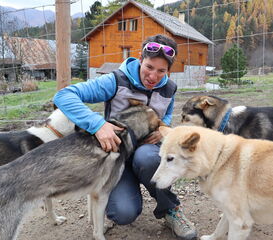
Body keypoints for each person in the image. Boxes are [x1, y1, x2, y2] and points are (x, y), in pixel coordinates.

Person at [53, 34, 197, 240]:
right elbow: (63, 96)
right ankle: (117, 197)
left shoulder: (169, 89)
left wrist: (161, 131)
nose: (153, 76)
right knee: (123, 213)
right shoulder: (115, 80)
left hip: (146, 152)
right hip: (115, 155)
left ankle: (170, 209)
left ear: (169, 70)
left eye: (161, 71)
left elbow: (164, 117)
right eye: (149, 67)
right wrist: (98, 125)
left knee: (149, 158)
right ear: (140, 58)